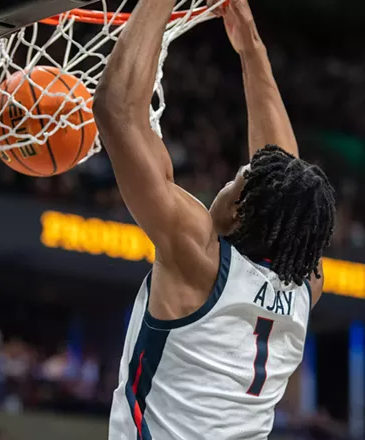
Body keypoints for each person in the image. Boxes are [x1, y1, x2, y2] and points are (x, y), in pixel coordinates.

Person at [93, 0, 336, 438]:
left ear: (241, 209)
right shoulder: (305, 286)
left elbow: (117, 111)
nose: (228, 178)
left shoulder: (200, 260)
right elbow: (283, 175)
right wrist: (250, 48)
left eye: (237, 177)